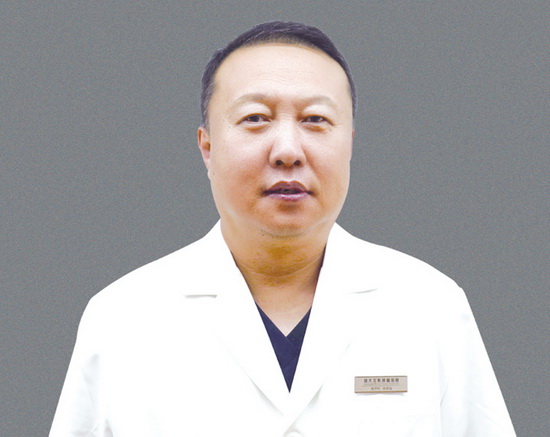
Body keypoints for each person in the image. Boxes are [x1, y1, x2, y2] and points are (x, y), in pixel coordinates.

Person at [50, 21, 516, 436]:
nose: (288, 150)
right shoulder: (123, 319)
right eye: (256, 119)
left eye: (316, 120)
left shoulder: (430, 308)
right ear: (207, 147)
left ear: (350, 144)